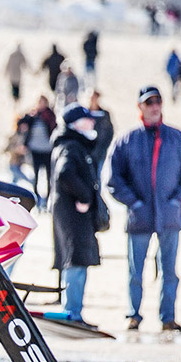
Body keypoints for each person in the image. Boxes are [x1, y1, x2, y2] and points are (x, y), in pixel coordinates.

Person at [107, 85, 181, 332]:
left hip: (169, 216)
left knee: (169, 271)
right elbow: (114, 179)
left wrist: (177, 200)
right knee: (136, 271)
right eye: (149, 102)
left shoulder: (177, 138)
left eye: (158, 101)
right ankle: (133, 315)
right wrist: (134, 202)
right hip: (139, 217)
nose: (154, 106)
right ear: (140, 106)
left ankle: (167, 318)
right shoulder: (128, 140)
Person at [50, 104, 105, 325]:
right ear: (75, 123)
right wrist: (83, 197)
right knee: (75, 261)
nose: (93, 122)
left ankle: (73, 312)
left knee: (77, 260)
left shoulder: (73, 144)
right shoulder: (71, 146)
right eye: (88, 119)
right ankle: (72, 313)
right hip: (72, 215)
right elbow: (65, 174)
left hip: (71, 214)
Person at [18, 95, 56, 205]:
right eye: (39, 102)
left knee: (49, 177)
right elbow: (20, 123)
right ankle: (36, 200)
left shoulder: (49, 115)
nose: (41, 105)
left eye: (43, 102)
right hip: (35, 150)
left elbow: (54, 127)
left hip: (48, 150)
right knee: (36, 176)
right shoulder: (33, 116)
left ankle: (48, 200)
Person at [85, 89, 114, 177]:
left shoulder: (104, 114)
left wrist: (104, 146)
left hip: (100, 151)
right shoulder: (84, 113)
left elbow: (110, 132)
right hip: (86, 151)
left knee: (98, 176)